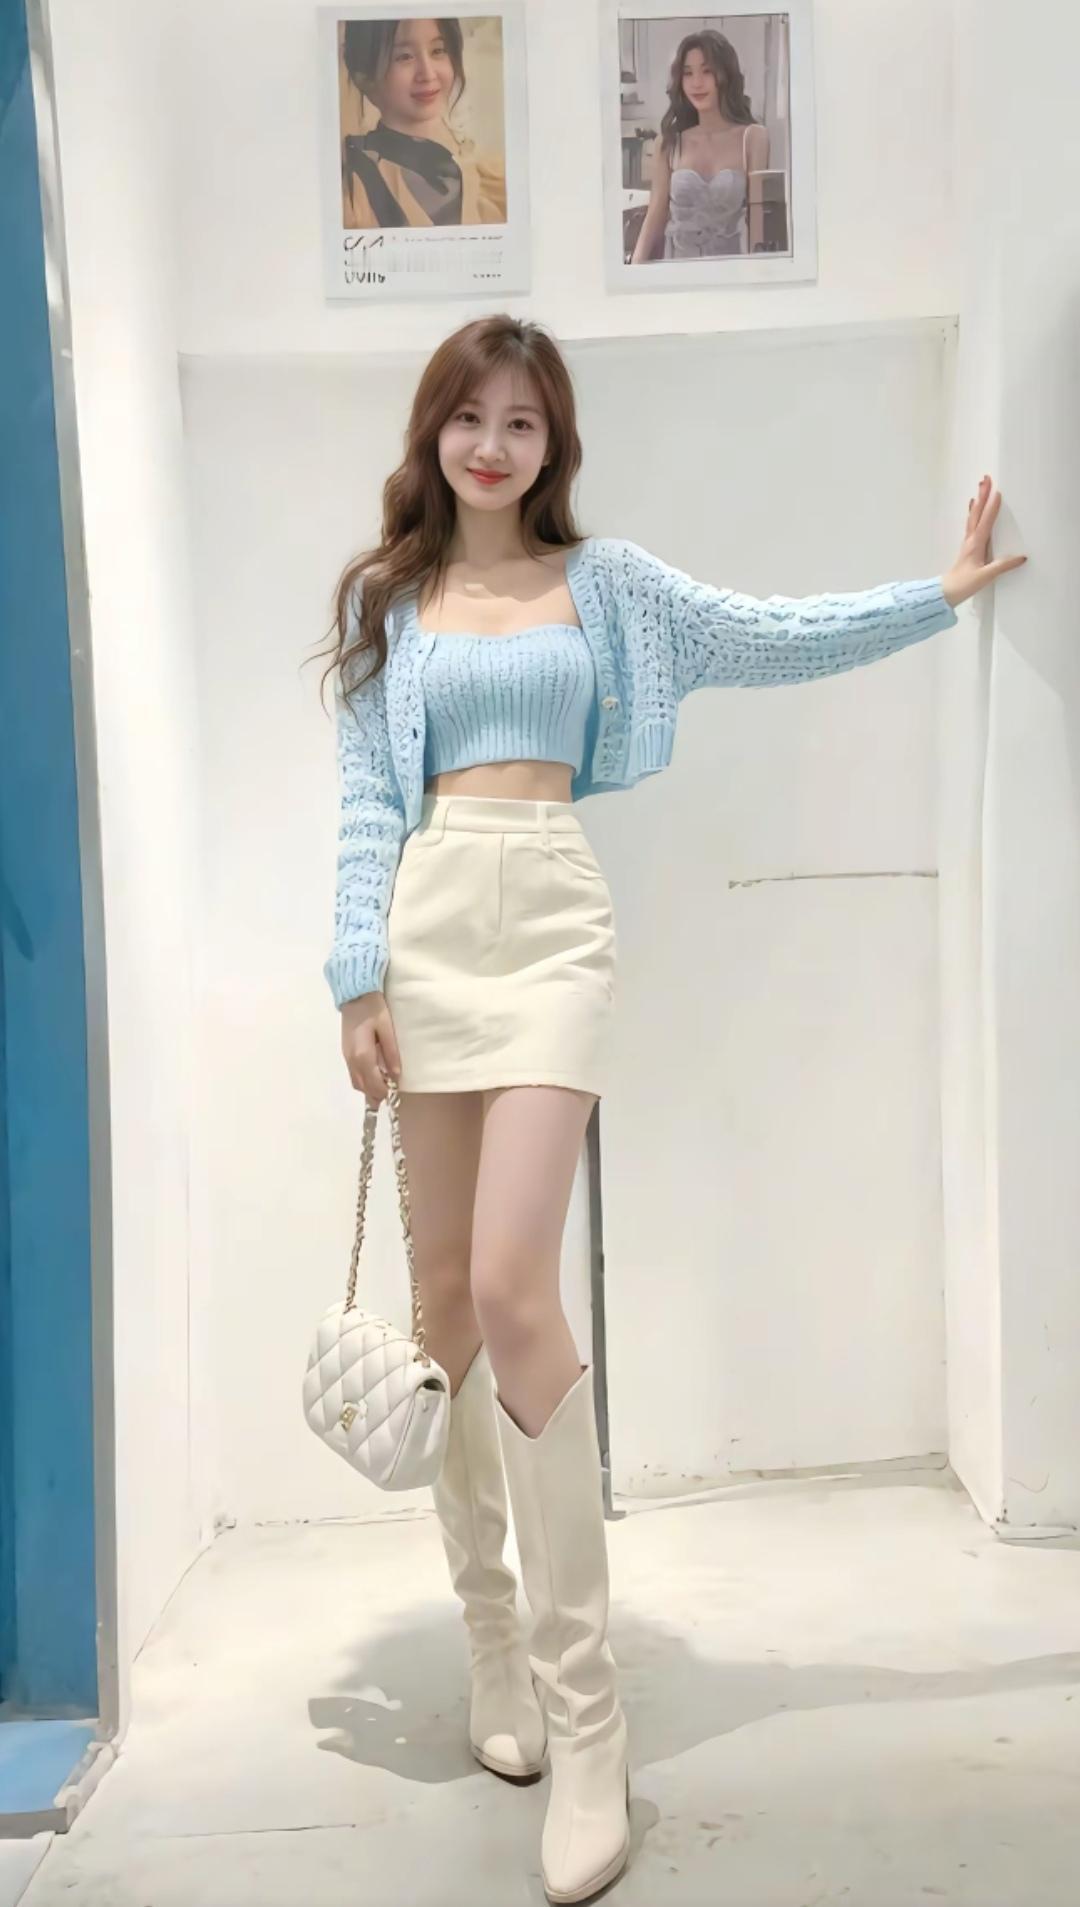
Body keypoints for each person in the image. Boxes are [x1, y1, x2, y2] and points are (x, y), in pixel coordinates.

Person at [317, 313, 1025, 1905]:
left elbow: (766, 633)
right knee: (445, 1310)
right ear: (434, 432)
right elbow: (366, 799)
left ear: (555, 442)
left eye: (524, 420)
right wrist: (357, 977)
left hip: (553, 924)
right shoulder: (391, 603)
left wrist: (937, 595)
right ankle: (491, 1641)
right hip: (429, 929)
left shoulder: (612, 585)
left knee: (517, 1287)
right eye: (471, 417)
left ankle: (588, 1716)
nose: (494, 444)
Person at [340, 17, 506, 229]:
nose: (427, 74)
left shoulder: (494, 182)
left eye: (438, 51)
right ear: (364, 77)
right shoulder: (352, 189)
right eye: (404, 56)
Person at [631, 29, 769, 263]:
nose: (696, 83)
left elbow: (758, 220)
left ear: (725, 75)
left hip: (732, 271)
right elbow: (655, 216)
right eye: (688, 73)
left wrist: (759, 274)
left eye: (707, 71)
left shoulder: (753, 137)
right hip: (677, 270)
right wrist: (633, 271)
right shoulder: (669, 143)